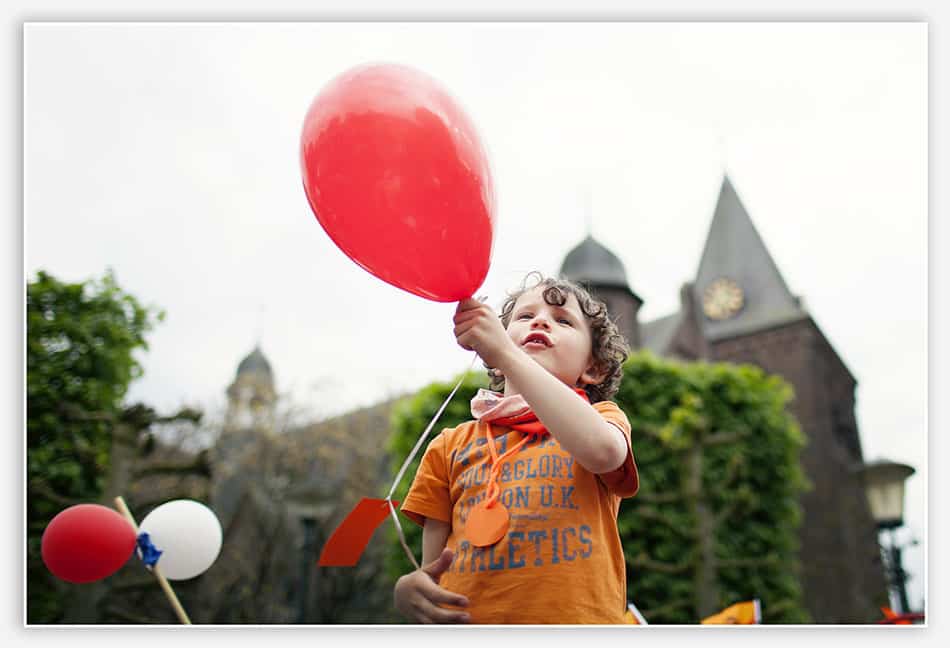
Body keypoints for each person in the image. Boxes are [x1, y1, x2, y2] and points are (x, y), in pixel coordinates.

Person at [393, 272, 639, 624]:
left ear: (594, 368)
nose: (540, 320)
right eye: (525, 316)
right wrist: (411, 590)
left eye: (563, 320)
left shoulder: (602, 417)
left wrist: (508, 353)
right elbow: (431, 574)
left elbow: (603, 452)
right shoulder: (449, 445)